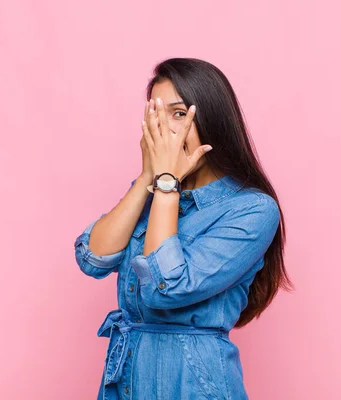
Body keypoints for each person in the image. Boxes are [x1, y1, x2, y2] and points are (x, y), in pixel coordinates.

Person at [74, 57, 293, 400]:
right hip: (126, 378)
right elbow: (93, 258)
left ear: (212, 120)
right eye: (156, 117)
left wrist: (166, 184)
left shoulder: (253, 209)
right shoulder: (155, 191)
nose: (166, 131)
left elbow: (166, 289)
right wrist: (150, 175)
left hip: (190, 382)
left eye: (178, 114)